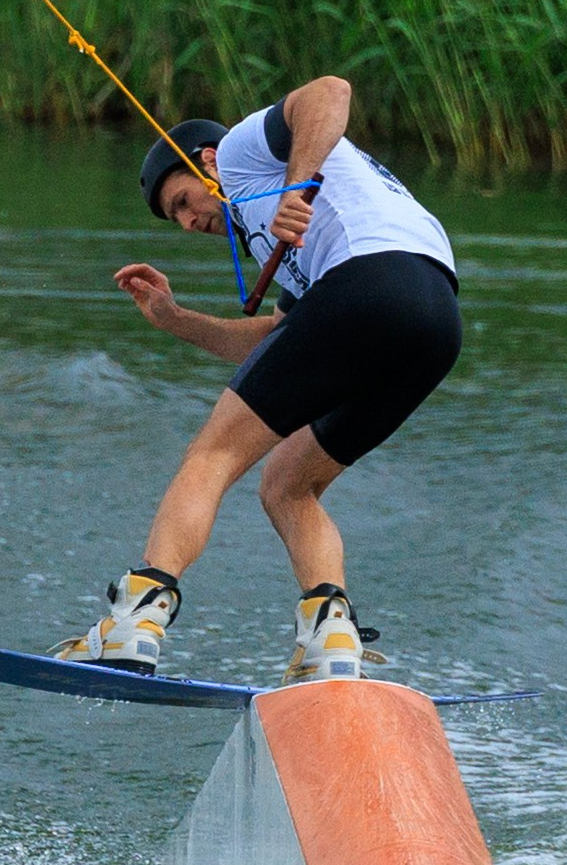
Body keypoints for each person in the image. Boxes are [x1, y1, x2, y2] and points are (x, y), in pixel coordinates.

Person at [59, 75, 462, 683]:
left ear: (206, 162)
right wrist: (175, 320)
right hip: (433, 323)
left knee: (212, 454)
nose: (188, 222)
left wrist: (295, 185)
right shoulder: (282, 233)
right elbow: (277, 340)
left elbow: (331, 92)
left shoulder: (243, 152)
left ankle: (137, 617)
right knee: (287, 484)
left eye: (183, 202)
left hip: (369, 284)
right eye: (176, 219)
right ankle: (331, 635)